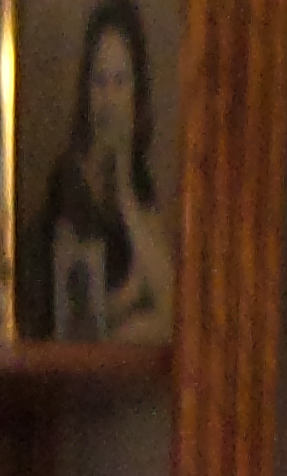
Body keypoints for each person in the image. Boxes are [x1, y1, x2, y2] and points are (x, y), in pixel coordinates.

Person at [34, 3, 172, 342]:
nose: (109, 98)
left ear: (136, 92)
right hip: (75, 349)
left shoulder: (136, 175)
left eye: (120, 82)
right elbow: (77, 309)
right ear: (87, 90)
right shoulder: (69, 178)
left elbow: (167, 295)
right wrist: (132, 299)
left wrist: (124, 187)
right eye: (100, 81)